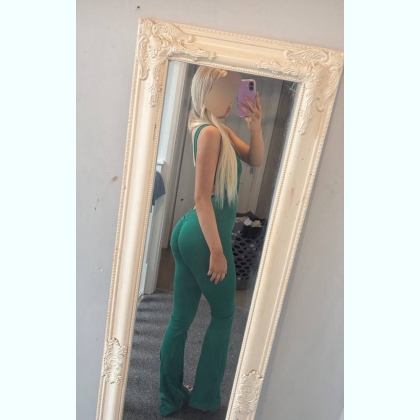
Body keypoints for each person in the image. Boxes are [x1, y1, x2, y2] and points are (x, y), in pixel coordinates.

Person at [159, 66, 263, 417]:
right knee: (224, 314)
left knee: (181, 318)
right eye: (224, 93)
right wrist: (218, 252)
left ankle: (170, 397)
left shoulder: (214, 129)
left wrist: (254, 125)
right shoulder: (210, 133)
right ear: (205, 93)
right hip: (204, 238)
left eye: (232, 93)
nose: (230, 101)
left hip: (192, 234)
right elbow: (201, 197)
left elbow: (255, 159)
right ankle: (203, 398)